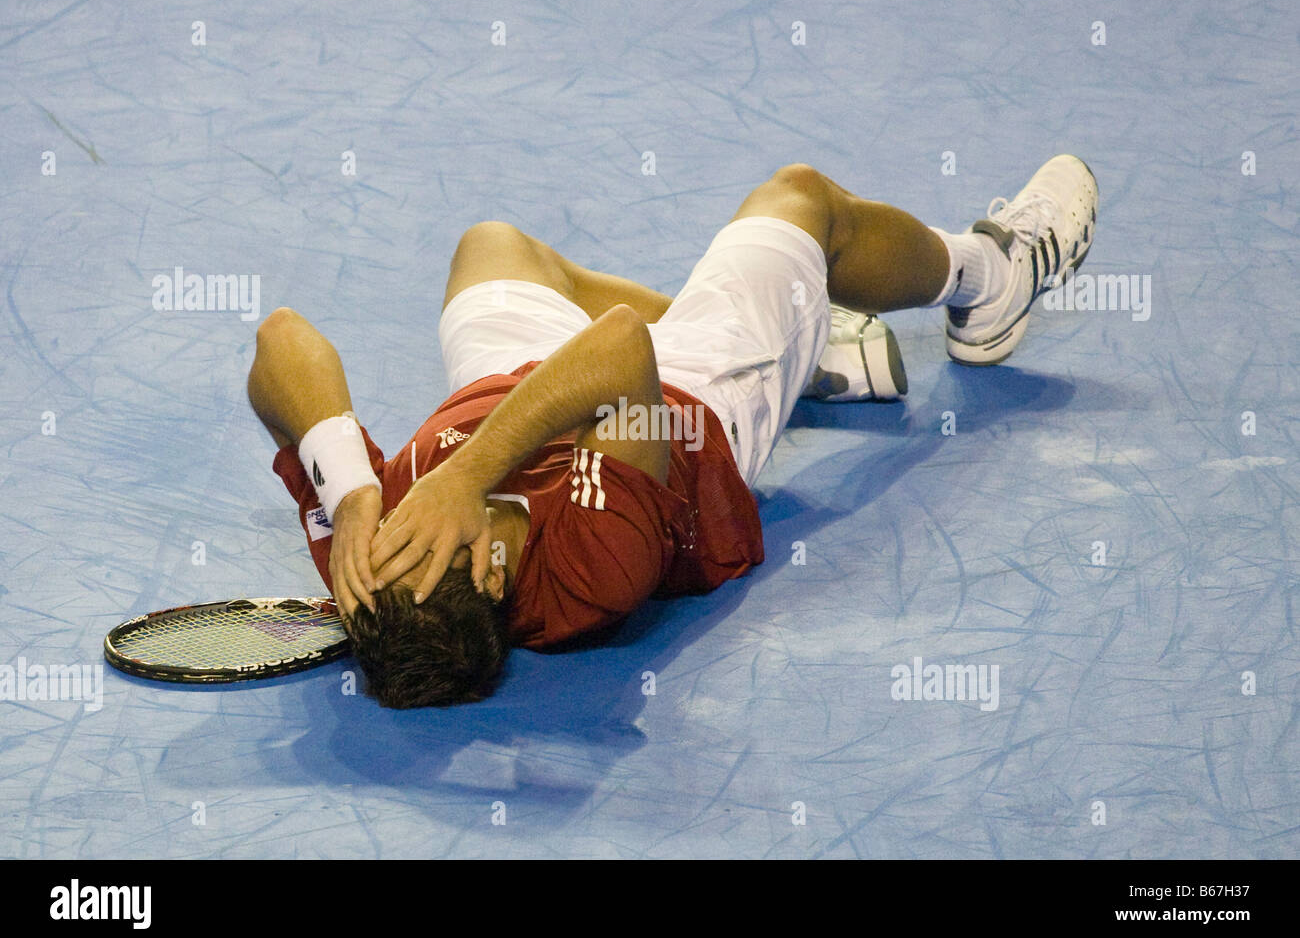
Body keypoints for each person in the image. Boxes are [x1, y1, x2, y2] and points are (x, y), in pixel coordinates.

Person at [247, 155, 1098, 707]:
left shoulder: (377, 553)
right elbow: (621, 351)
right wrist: (464, 479)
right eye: (415, 531)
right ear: (492, 568)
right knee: (802, 200)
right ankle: (993, 278)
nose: (403, 521)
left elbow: (280, 340)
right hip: (682, 397)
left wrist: (354, 492)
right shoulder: (594, 568)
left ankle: (811, 342)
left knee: (494, 245)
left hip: (514, 387)